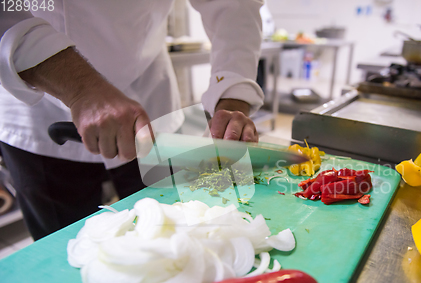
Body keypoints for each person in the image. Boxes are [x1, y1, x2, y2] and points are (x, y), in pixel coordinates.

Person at [0, 0, 265, 240]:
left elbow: (234, 4)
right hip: (41, 106)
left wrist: (231, 96)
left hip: (150, 94)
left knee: (174, 231)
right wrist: (81, 89)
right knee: (63, 249)